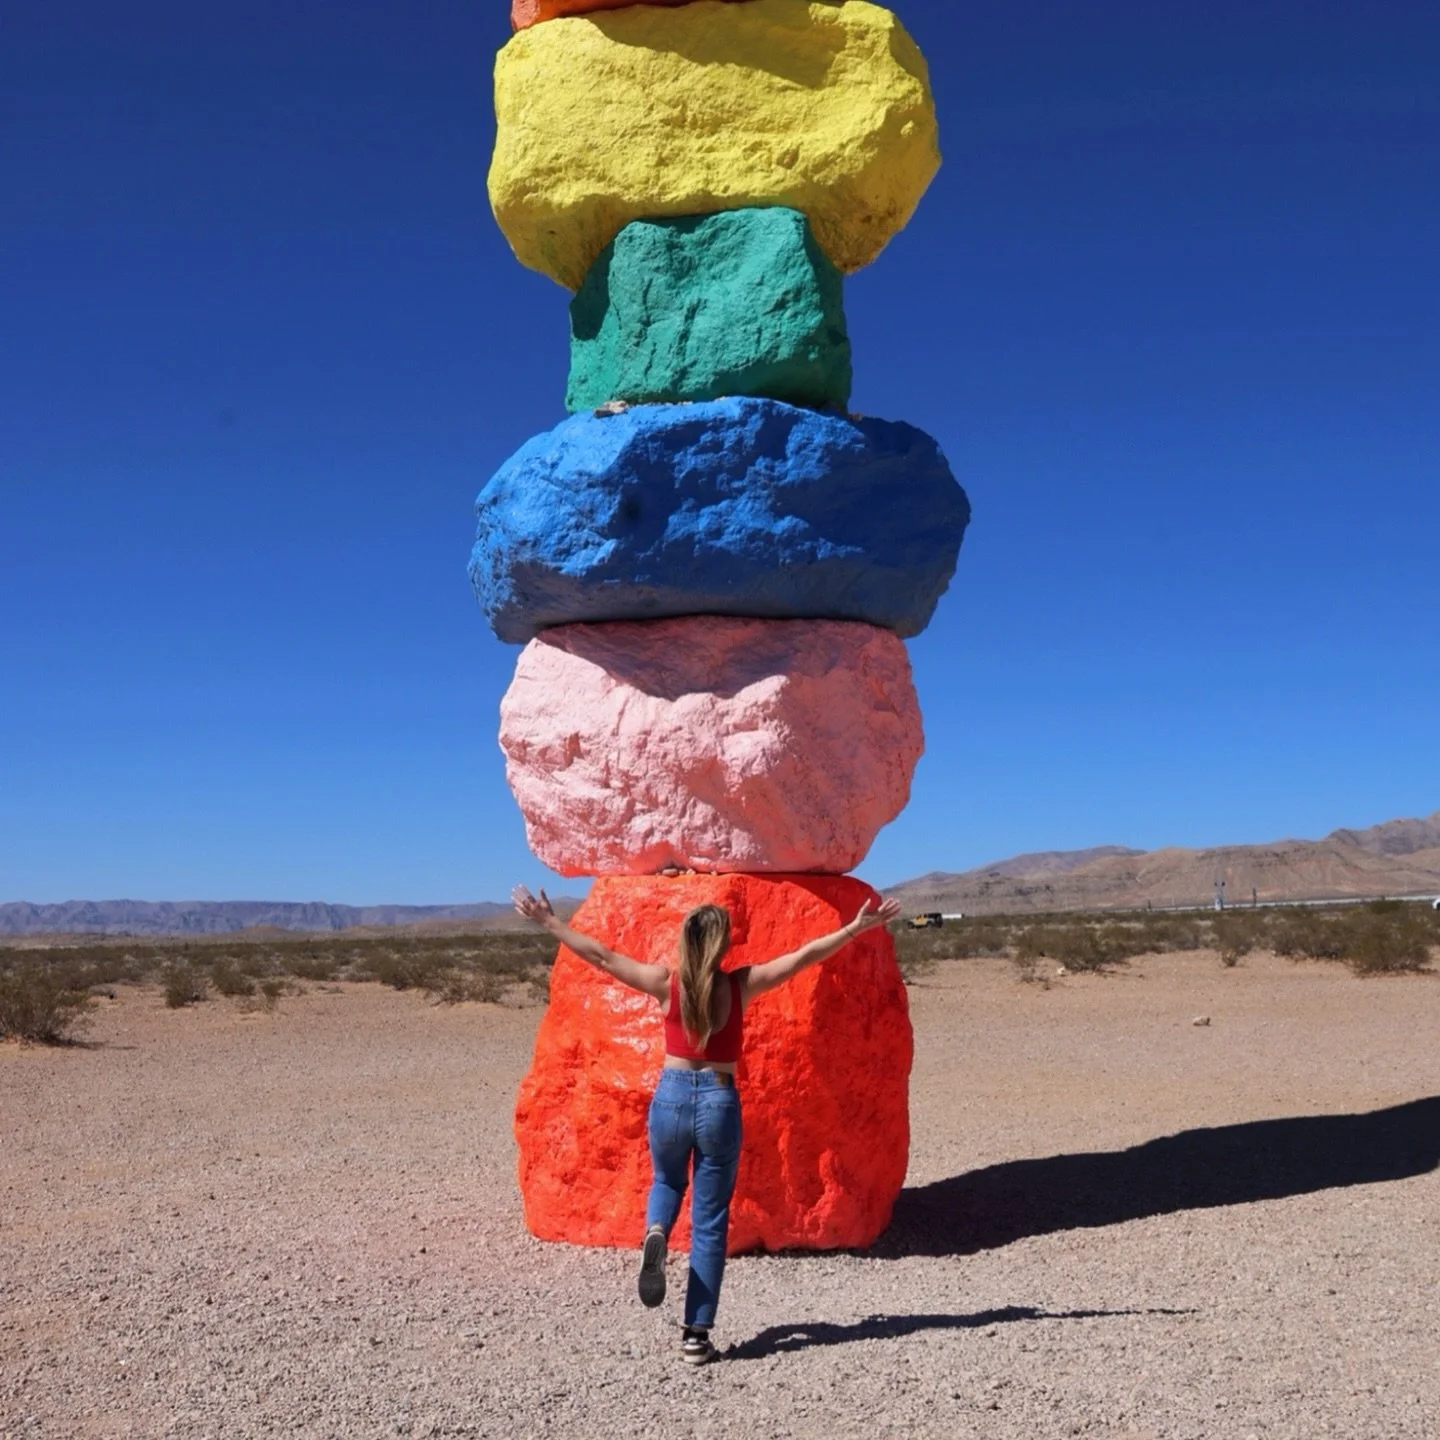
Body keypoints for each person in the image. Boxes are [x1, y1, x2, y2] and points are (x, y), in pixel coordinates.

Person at [511, 884, 901, 1365]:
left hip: (670, 1096)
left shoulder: (664, 983)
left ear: (685, 941)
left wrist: (548, 921)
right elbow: (803, 956)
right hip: (718, 1099)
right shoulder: (740, 986)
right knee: (710, 1222)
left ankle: (656, 1229)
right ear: (722, 945)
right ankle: (695, 1334)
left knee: (667, 1180)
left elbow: (604, 957)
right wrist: (856, 927)